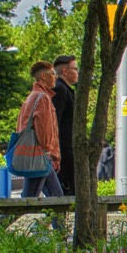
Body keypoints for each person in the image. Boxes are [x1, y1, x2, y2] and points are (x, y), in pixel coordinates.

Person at [17, 61, 63, 199]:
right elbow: (44, 131)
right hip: (40, 157)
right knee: (54, 201)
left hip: (35, 155)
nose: (56, 77)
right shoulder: (42, 98)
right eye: (53, 74)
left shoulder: (32, 97)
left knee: (54, 200)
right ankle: (1, 222)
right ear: (43, 76)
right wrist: (53, 154)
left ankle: (47, 222)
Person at [51, 55, 78, 195]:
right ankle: (59, 217)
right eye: (75, 69)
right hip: (64, 149)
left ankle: (58, 217)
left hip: (67, 147)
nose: (77, 72)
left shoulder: (65, 90)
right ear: (65, 71)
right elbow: (55, 121)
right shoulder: (60, 90)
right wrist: (56, 151)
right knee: (66, 189)